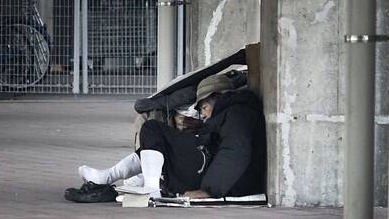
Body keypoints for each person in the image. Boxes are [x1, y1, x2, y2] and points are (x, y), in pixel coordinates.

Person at [68, 73, 266, 201]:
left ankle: (150, 188)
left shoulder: (239, 114)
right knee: (159, 140)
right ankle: (111, 177)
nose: (203, 114)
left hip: (216, 177)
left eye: (204, 107)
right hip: (206, 165)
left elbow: (234, 151)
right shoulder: (230, 113)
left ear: (218, 96)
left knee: (153, 129)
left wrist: (210, 190)